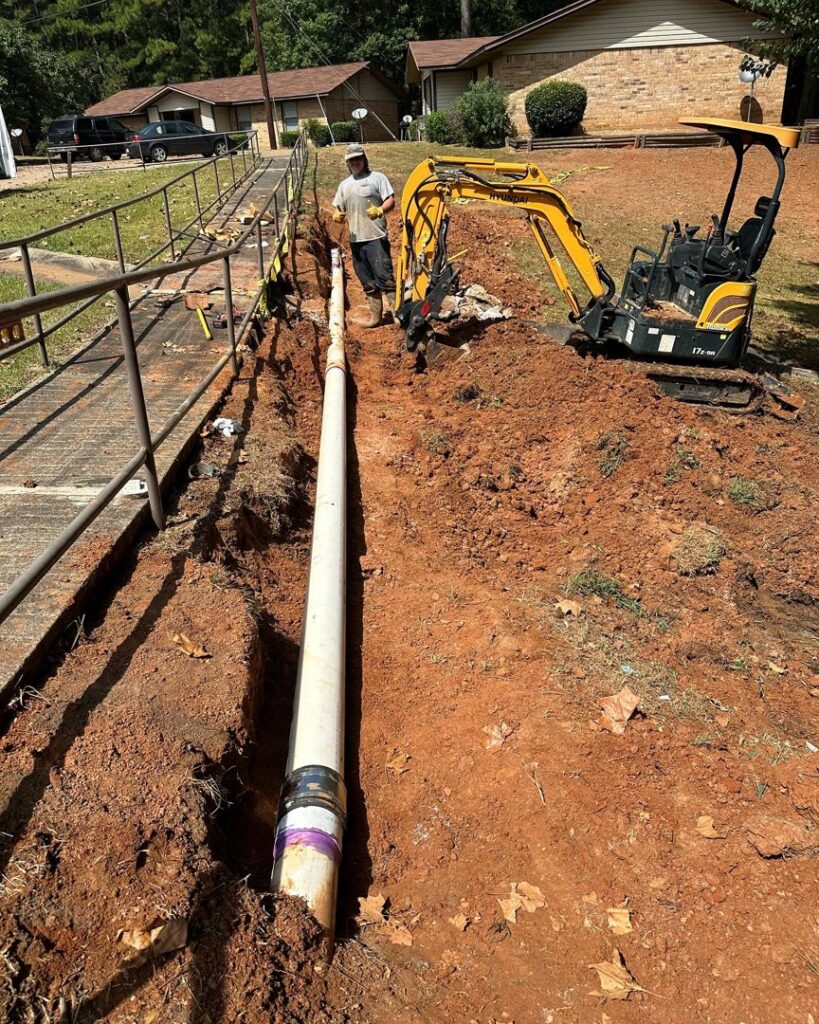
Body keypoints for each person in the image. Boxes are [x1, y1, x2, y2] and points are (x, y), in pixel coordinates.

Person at [332, 142, 396, 328]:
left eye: (358, 158)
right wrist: (337, 215)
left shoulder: (378, 178)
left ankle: (396, 314)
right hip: (356, 239)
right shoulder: (344, 185)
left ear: (364, 159)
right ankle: (376, 318)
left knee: (386, 277)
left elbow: (390, 200)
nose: (356, 162)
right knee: (366, 279)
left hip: (376, 237)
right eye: (352, 160)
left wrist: (380, 210)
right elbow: (338, 208)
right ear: (347, 164)